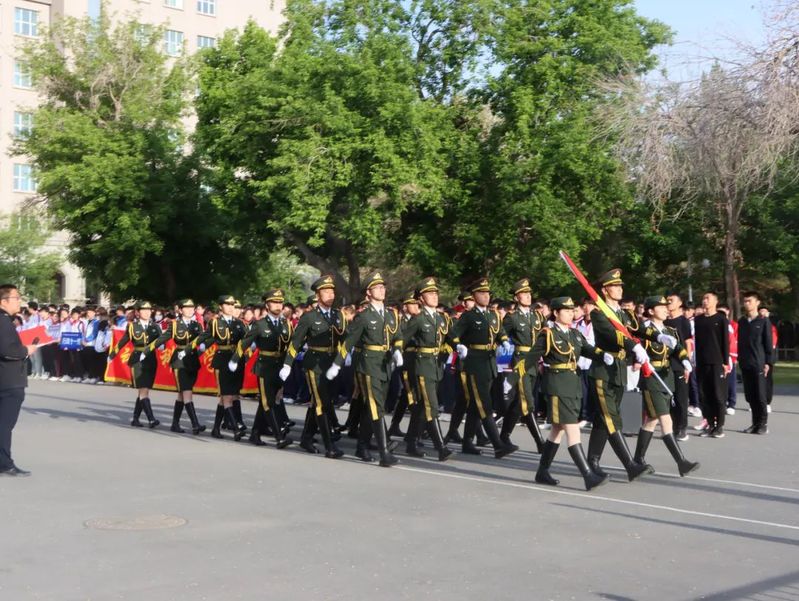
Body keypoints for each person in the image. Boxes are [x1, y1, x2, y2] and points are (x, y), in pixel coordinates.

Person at [585, 269, 669, 482]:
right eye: (615, 286)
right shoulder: (599, 313)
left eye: (620, 285)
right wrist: (634, 346)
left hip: (619, 371)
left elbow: (638, 329)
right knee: (612, 419)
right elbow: (613, 335)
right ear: (605, 290)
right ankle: (630, 465)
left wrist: (659, 336)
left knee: (603, 420)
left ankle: (592, 462)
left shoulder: (624, 313)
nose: (620, 289)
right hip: (603, 372)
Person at [530, 297, 610, 490]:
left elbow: (587, 349)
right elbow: (530, 357)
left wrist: (603, 355)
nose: (570, 313)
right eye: (565, 310)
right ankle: (588, 475)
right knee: (572, 429)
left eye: (571, 310)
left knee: (557, 429)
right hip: (557, 386)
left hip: (572, 385)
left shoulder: (574, 333)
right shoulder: (548, 334)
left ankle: (542, 471)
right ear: (556, 313)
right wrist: (514, 378)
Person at [328, 273, 403, 467]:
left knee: (373, 407)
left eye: (383, 287)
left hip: (385, 364)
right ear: (369, 293)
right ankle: (384, 452)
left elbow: (398, 336)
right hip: (368, 365)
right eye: (377, 288)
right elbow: (349, 342)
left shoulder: (390, 314)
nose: (382, 290)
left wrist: (397, 350)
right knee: (375, 406)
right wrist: (337, 364)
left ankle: (362, 446)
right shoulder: (364, 316)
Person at [448, 277, 517, 458]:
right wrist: (458, 346)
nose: (486, 296)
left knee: (474, 406)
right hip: (475, 363)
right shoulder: (469, 316)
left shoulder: (493, 315)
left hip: (489, 362)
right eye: (482, 293)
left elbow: (500, 331)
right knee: (484, 404)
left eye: (487, 293)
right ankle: (498, 445)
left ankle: (467, 442)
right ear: (474, 295)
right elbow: (452, 334)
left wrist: (504, 341)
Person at [280, 275, 346, 458]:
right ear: (318, 295)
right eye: (326, 291)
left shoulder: (338, 315)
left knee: (324, 401)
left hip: (332, 364)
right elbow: (296, 343)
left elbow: (345, 338)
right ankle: (330, 446)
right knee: (321, 403)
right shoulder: (309, 317)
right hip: (314, 364)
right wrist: (287, 364)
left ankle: (306, 438)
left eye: (332, 291)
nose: (330, 294)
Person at [634, 296, 700, 476]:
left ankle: (638, 459)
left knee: (651, 420)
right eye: (661, 306)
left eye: (666, 306)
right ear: (650, 311)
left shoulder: (670, 330)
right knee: (666, 420)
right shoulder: (643, 329)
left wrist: (685, 360)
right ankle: (681, 462)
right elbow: (634, 344)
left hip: (666, 377)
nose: (666, 309)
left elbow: (678, 348)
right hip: (651, 378)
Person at [229, 289, 294, 449]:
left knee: (268, 400)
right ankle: (279, 438)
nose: (278, 305)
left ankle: (255, 433)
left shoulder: (286, 324)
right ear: (267, 305)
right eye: (274, 302)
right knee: (267, 402)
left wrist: (288, 364)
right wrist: (235, 359)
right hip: (265, 366)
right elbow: (244, 342)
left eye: (280, 302)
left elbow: (292, 345)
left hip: (280, 366)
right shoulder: (260, 324)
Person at [401, 278, 453, 461]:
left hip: (436, 366)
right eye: (430, 294)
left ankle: (411, 443)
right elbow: (402, 339)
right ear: (421, 299)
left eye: (435, 293)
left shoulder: (441, 318)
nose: (434, 296)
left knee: (421, 408)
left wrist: (458, 346)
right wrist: (396, 355)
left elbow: (450, 337)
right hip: (422, 366)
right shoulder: (418, 319)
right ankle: (441, 447)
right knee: (432, 406)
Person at [146, 299, 206, 435]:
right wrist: (148, 349)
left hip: (193, 360)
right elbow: (162, 338)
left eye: (192, 307)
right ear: (180, 310)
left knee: (182, 394)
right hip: (179, 361)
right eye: (186, 307)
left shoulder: (197, 325)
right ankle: (195, 424)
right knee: (187, 392)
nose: (190, 310)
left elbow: (203, 338)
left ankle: (175, 423)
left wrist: (204, 345)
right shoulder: (174, 325)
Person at [194, 295, 248, 440]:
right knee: (226, 396)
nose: (230, 307)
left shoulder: (239, 323)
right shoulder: (215, 322)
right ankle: (236, 428)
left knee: (229, 395)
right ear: (220, 306)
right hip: (222, 360)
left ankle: (216, 428)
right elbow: (206, 336)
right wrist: (192, 349)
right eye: (227, 304)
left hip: (236, 360)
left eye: (232, 304)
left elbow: (246, 338)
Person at [501, 277, 546, 453]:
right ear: (516, 297)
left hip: (534, 362)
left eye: (529, 293)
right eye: (524, 293)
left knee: (519, 403)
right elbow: (501, 334)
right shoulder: (512, 317)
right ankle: (540, 442)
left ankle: (503, 436)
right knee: (528, 402)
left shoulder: (537, 316)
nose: (528, 296)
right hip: (520, 361)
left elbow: (546, 337)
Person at [107, 301, 163, 428]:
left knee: (144, 391)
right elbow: (123, 341)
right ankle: (151, 419)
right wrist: (112, 355)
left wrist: (162, 346)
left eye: (149, 310)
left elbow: (161, 340)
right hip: (138, 360)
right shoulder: (132, 326)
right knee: (143, 390)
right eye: (144, 310)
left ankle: (135, 419)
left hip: (151, 360)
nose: (147, 312)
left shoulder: (155, 326)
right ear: (137, 312)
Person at [0, 284, 36, 477]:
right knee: (5, 425)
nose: (19, 301)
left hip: (5, 378)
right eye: (16, 298)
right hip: (9, 380)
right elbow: (7, 350)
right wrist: (26, 350)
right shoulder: (4, 322)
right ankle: (5, 463)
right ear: (3, 301)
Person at [693, 292, 730, 438]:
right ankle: (710, 424)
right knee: (704, 395)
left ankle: (719, 426)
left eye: (708, 298)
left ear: (715, 301)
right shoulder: (698, 320)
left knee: (718, 395)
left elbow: (725, 342)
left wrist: (725, 362)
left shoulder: (721, 319)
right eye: (703, 298)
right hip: (701, 362)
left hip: (716, 362)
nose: (705, 301)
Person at [738, 292, 773, 434]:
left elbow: (768, 344)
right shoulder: (742, 321)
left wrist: (768, 363)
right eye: (745, 301)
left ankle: (763, 424)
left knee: (760, 395)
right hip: (745, 363)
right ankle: (755, 423)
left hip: (759, 363)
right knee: (750, 395)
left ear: (757, 303)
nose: (747, 303)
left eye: (750, 301)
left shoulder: (763, 321)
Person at [665, 293, 694, 441]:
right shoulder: (664, 321)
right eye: (667, 300)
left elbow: (688, 343)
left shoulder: (683, 321)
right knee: (669, 398)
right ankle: (672, 427)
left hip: (680, 364)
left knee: (681, 398)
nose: (669, 302)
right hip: (666, 364)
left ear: (679, 303)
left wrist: (687, 364)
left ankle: (682, 428)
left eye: (672, 300)